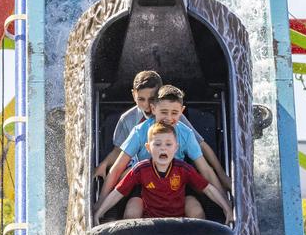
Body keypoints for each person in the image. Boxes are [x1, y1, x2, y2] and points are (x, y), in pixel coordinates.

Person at [96, 85, 230, 219]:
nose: (168, 118)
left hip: (177, 182)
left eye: (174, 113)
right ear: (154, 109)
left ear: (181, 112)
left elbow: (205, 170)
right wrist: (99, 204)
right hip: (145, 183)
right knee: (131, 212)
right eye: (164, 112)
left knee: (196, 211)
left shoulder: (186, 133)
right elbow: (118, 168)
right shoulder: (140, 131)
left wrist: (226, 204)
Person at [94, 122, 233, 225]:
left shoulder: (183, 169)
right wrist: (99, 212)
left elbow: (208, 189)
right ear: (148, 148)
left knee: (197, 211)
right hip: (150, 221)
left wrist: (226, 208)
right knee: (131, 213)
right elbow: (117, 192)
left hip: (178, 220)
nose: (163, 149)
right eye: (157, 144)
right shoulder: (140, 169)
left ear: (176, 148)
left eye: (168, 144)